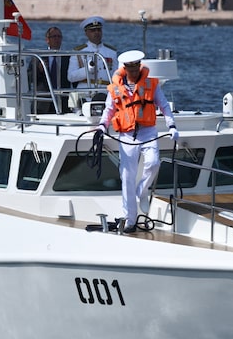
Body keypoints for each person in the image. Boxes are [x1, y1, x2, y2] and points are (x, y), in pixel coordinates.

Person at [98, 50, 177, 235]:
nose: (134, 72)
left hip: (148, 131)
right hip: (126, 135)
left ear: (139, 67)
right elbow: (109, 109)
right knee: (127, 176)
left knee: (154, 163)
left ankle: (142, 190)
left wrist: (172, 125)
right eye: (130, 69)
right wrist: (102, 126)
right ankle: (130, 220)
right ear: (125, 69)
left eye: (136, 69)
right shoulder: (115, 87)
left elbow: (164, 106)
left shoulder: (151, 84)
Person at [68, 16, 117, 106]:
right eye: (93, 30)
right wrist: (87, 70)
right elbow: (71, 77)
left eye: (99, 30)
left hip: (105, 93)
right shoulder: (79, 52)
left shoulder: (111, 52)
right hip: (85, 94)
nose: (96, 33)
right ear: (86, 33)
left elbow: (116, 75)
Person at [33, 26, 71, 114]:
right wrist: (39, 71)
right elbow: (29, 78)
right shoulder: (38, 57)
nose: (57, 39)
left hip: (63, 103)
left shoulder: (68, 57)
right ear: (47, 40)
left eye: (59, 36)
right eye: (54, 36)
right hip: (43, 103)